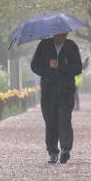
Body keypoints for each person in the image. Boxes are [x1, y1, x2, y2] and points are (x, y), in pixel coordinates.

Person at [31, 33, 82, 164]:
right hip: (49, 90)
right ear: (54, 33)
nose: (62, 36)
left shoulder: (71, 46)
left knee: (65, 119)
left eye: (65, 34)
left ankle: (66, 149)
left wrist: (61, 66)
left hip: (66, 90)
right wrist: (49, 67)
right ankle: (52, 151)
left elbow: (77, 68)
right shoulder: (44, 45)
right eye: (60, 34)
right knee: (50, 120)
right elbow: (35, 66)